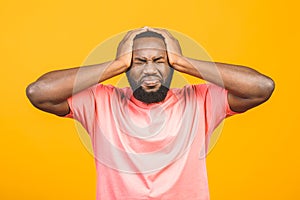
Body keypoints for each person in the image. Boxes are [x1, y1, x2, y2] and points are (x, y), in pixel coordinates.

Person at [26, 27, 274, 200]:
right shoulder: (100, 101)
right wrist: (115, 64)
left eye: (160, 60)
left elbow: (261, 87)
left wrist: (183, 61)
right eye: (138, 62)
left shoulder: (200, 100)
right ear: (125, 66)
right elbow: (39, 92)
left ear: (173, 64)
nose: (150, 70)